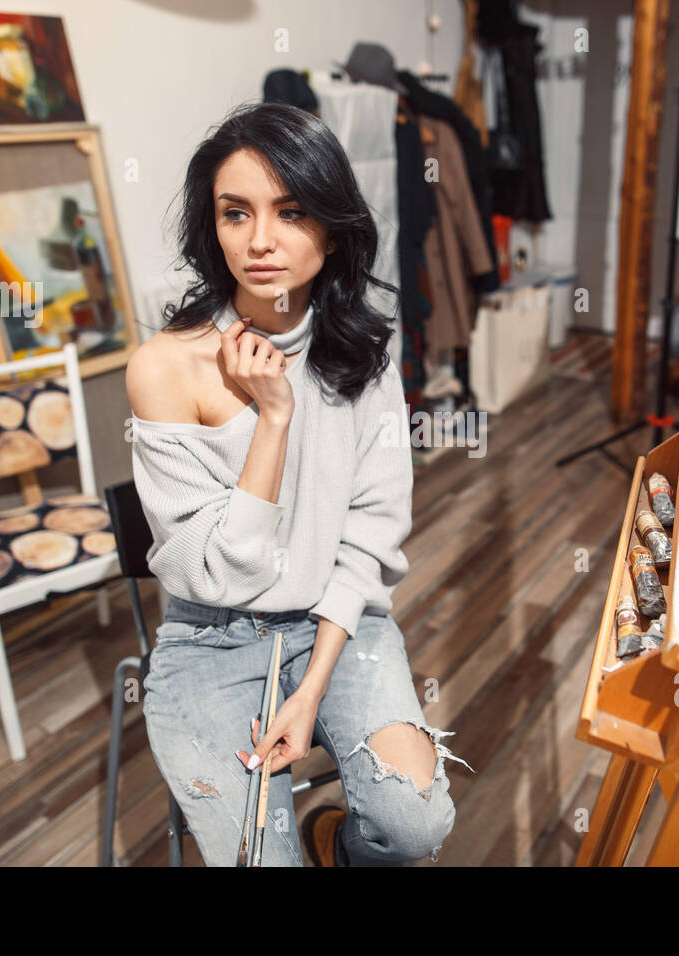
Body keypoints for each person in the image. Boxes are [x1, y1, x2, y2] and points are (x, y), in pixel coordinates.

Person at [125, 101, 473, 866]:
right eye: (235, 213)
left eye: (290, 211)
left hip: (338, 625)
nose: (260, 242)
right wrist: (273, 422)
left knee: (414, 823)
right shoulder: (166, 367)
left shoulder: (364, 351)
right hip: (210, 639)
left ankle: (338, 843)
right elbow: (213, 570)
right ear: (209, 227)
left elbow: (372, 533)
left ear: (331, 224)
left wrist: (312, 685)